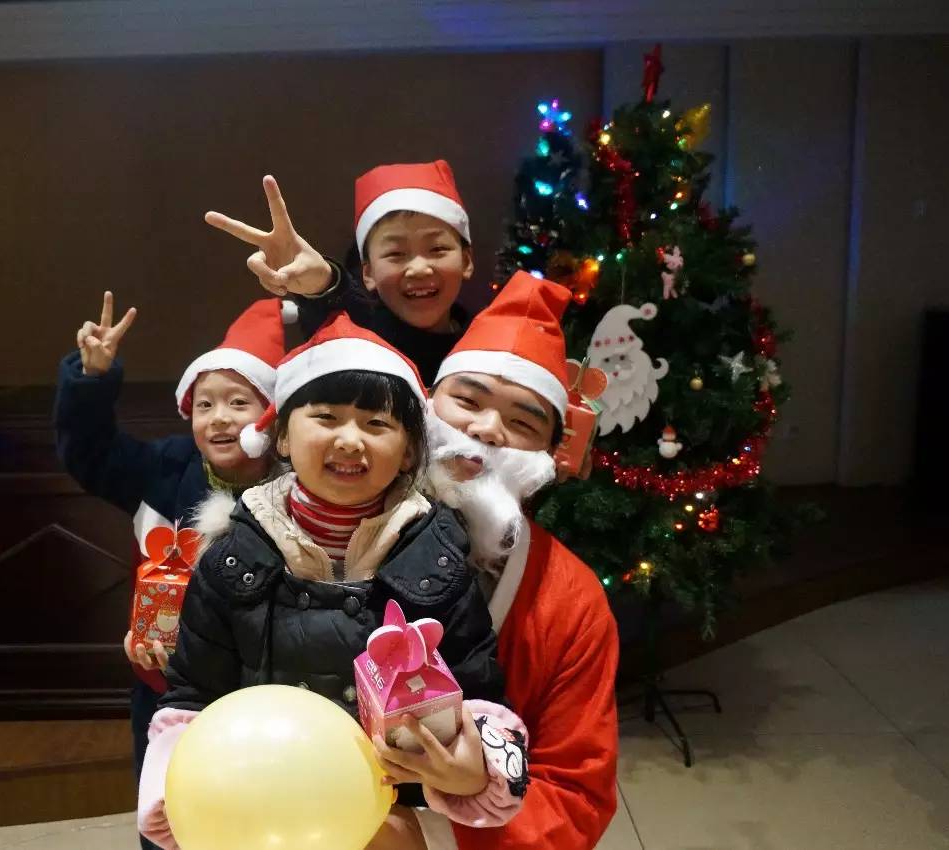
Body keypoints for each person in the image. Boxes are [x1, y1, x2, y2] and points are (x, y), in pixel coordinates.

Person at [135, 314, 530, 849]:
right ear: (281, 436)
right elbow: (192, 695)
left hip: (384, 813)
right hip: (257, 810)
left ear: (409, 452)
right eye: (325, 417)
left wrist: (474, 768)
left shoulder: (440, 561)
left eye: (377, 424)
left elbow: (478, 695)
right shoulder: (230, 558)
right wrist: (175, 793)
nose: (349, 440)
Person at [380, 271, 621, 850]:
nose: (487, 430)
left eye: (523, 421)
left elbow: (575, 795)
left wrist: (467, 798)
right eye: (467, 400)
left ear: (549, 456)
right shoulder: (326, 529)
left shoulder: (571, 599)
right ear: (426, 405)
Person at [54, 292, 287, 850]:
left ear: (271, 416)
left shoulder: (297, 483)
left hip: (266, 690)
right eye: (204, 404)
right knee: (171, 816)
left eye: (238, 402)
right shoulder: (166, 467)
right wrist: (91, 380)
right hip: (166, 688)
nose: (219, 417)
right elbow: (89, 453)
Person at [205, 160, 474, 384]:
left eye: (437, 249)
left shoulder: (482, 339)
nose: (419, 268)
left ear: (466, 261)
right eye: (396, 254)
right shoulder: (363, 333)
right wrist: (321, 284)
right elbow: (341, 310)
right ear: (368, 273)